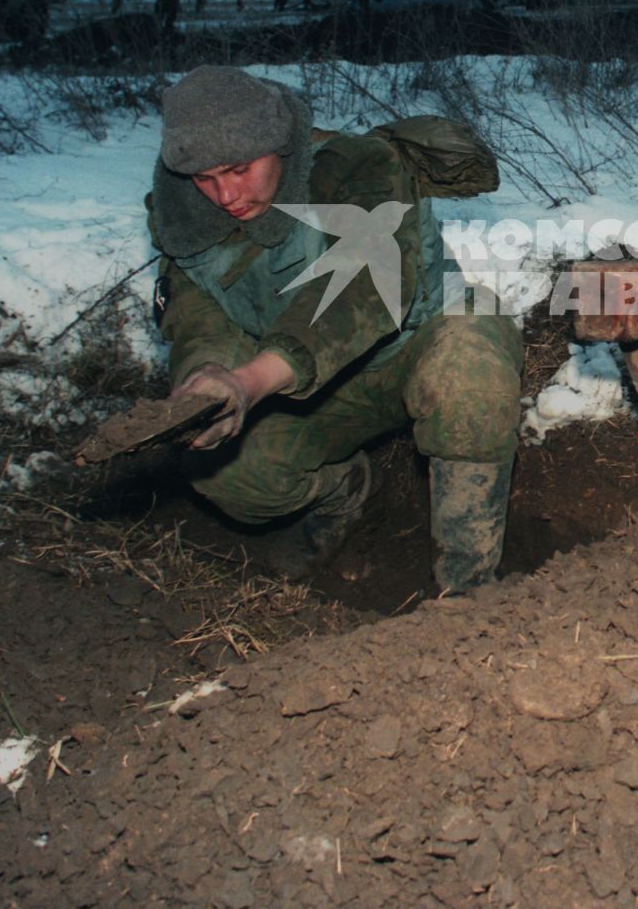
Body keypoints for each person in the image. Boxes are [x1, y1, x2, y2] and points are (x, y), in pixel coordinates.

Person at [148, 66, 521, 591]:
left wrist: (250, 381)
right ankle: (344, 493)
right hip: (312, 388)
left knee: (470, 371)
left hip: (420, 341)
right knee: (230, 475)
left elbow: (362, 294)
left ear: (278, 145)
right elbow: (197, 317)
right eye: (205, 179)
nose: (225, 195)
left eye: (239, 169)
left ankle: (468, 589)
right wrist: (208, 374)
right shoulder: (184, 215)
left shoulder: (360, 167)